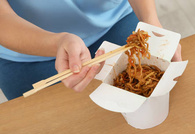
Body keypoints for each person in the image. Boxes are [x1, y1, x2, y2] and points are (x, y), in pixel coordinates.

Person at [0, 0, 182, 101]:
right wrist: (57, 43)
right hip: (26, 49)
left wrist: (151, 22)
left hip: (114, 18)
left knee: (160, 93)